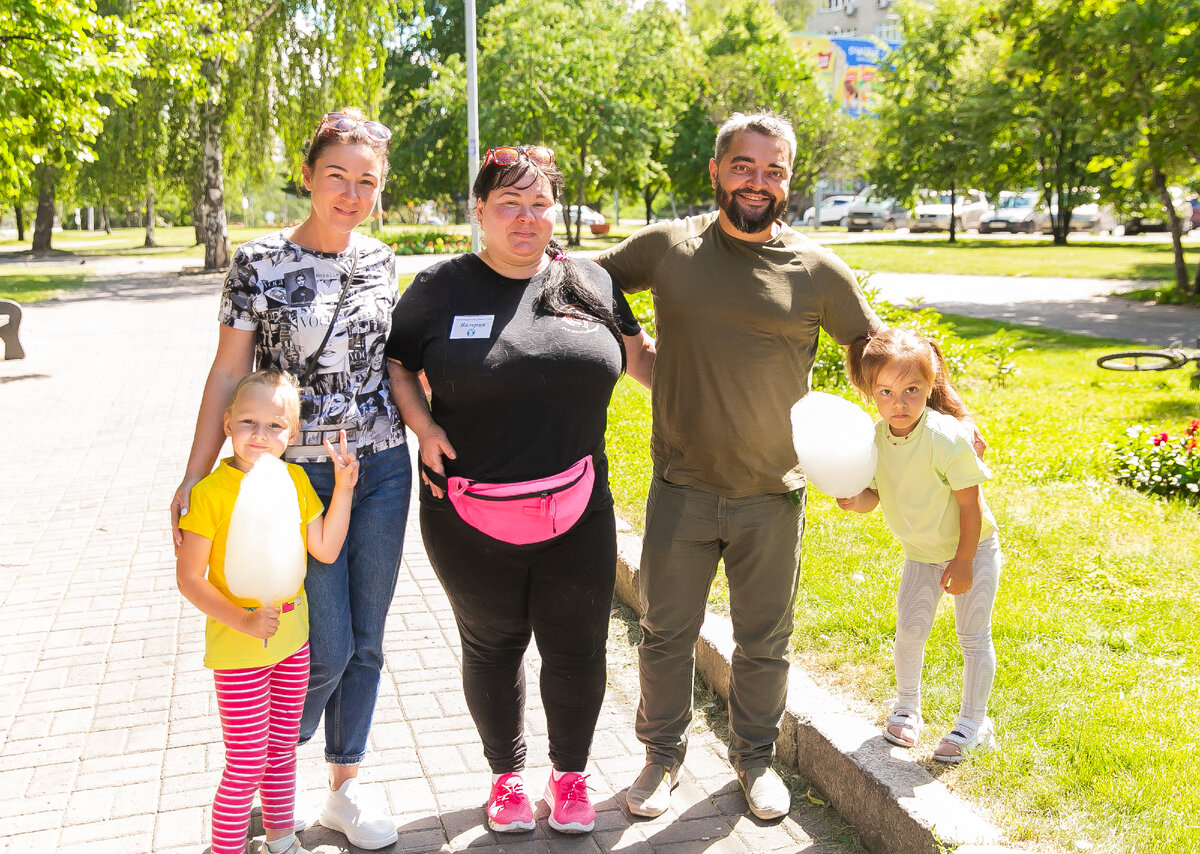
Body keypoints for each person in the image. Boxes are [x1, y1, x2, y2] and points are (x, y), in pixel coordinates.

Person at [597, 111, 904, 821]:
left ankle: (755, 760)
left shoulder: (818, 270)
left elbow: (884, 361)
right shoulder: (669, 248)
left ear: (788, 180)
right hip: (682, 487)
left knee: (764, 642)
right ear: (716, 170)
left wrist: (933, 431)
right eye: (744, 166)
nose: (758, 182)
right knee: (665, 633)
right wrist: (638, 350)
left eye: (774, 171)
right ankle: (661, 758)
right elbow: (590, 282)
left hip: (774, 493)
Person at [384, 144, 653, 835]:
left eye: (539, 204)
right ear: (479, 211)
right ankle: (506, 780)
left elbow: (642, 356)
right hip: (467, 515)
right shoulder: (440, 288)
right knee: (492, 645)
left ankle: (569, 779)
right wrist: (421, 423)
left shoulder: (588, 280)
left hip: (578, 508)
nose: (526, 218)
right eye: (509, 204)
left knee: (576, 647)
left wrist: (732, 384)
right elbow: (397, 360)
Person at [171, 108, 410, 850]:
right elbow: (227, 373)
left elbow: (392, 366)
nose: (350, 192)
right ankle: (266, 768)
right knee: (322, 644)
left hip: (379, 471)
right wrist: (197, 471)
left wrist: (429, 430)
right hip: (291, 482)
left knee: (367, 641)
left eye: (366, 180)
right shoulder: (258, 262)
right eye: (336, 175)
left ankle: (343, 788)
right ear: (307, 176)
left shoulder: (381, 260)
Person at [176, 369, 359, 854]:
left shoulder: (294, 479)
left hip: (291, 641)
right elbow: (189, 578)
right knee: (246, 761)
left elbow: (323, 547)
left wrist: (342, 489)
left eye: (275, 426)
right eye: (249, 422)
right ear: (226, 422)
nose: (260, 434)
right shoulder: (210, 493)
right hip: (239, 650)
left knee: (280, 752)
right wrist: (244, 621)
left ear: (292, 434)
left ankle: (282, 839)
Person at [837, 328, 1001, 762]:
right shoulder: (875, 438)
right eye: (886, 391)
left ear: (931, 387)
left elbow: (972, 506)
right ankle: (907, 707)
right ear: (872, 392)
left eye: (912, 390)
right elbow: (873, 496)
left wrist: (964, 561)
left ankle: (973, 722)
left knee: (972, 636)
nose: (900, 402)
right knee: (910, 630)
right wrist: (856, 499)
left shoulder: (945, 436)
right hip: (921, 555)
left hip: (973, 548)